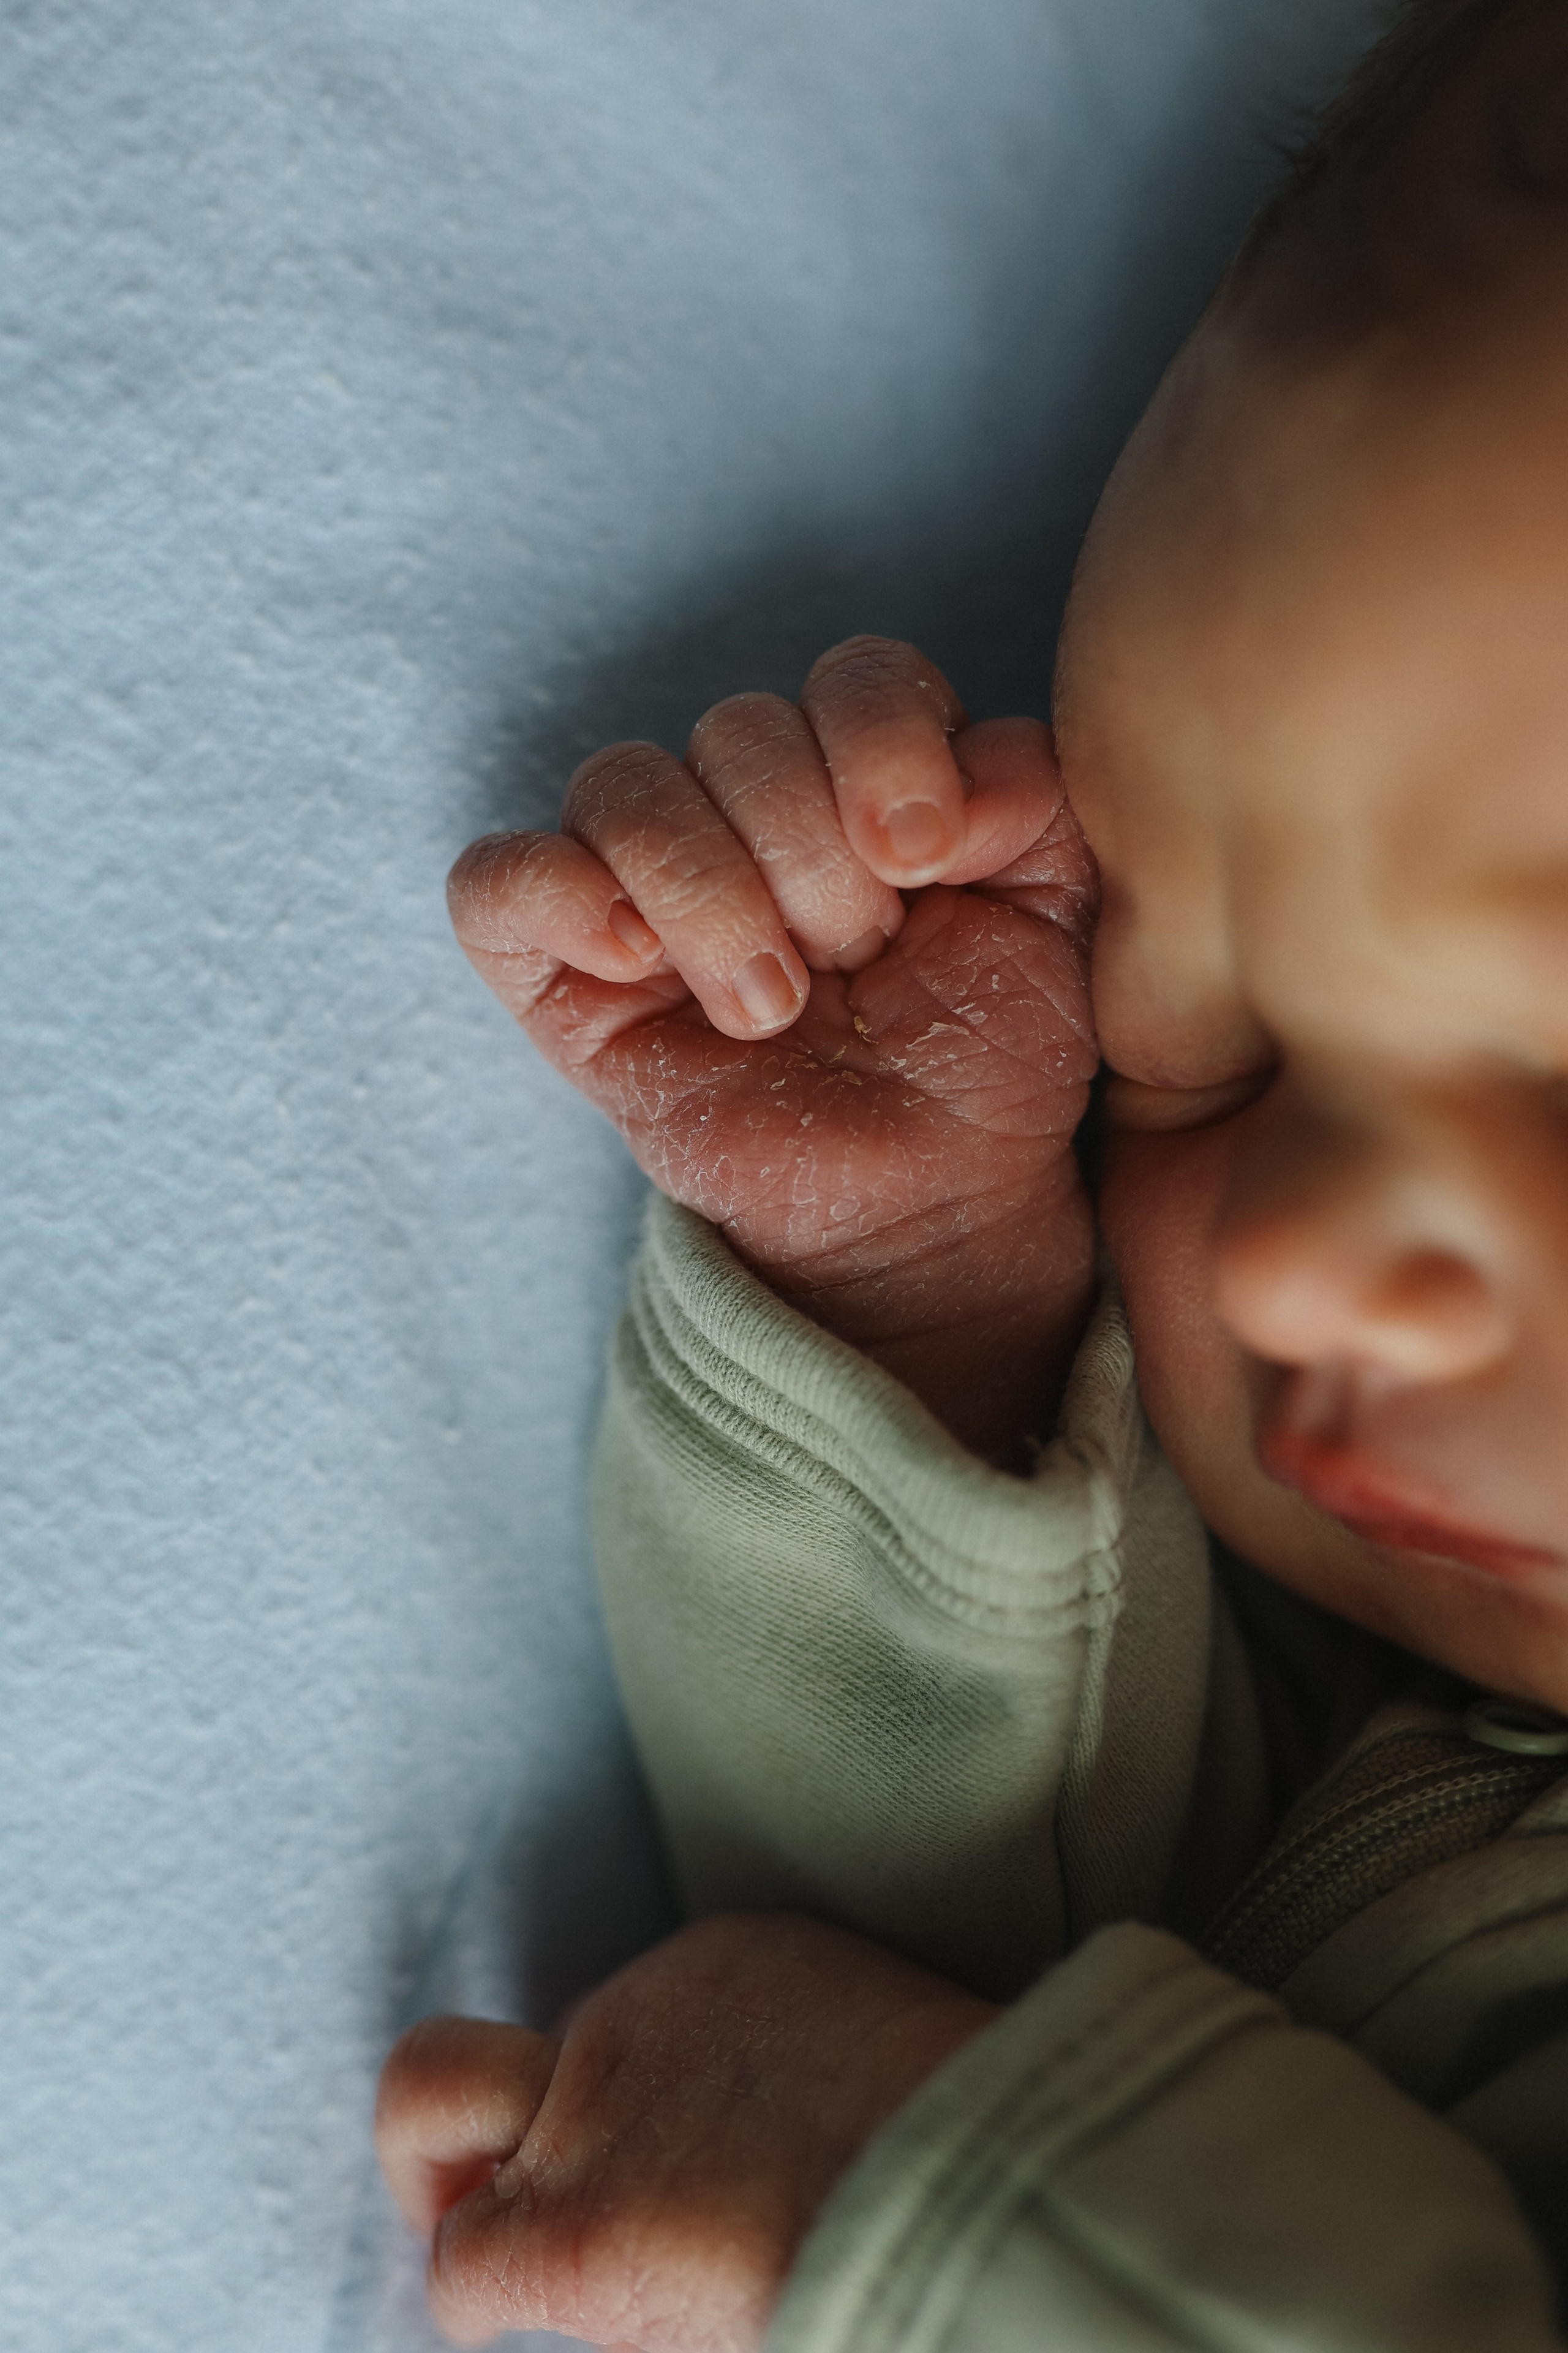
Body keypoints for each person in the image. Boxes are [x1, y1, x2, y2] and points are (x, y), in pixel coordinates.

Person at [375, 2, 1568, 2345]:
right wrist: (918, 1287)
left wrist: (957, 2212)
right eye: (1203, 1045)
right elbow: (1010, 1955)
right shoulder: (1393, 1701)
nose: (1312, 1254)